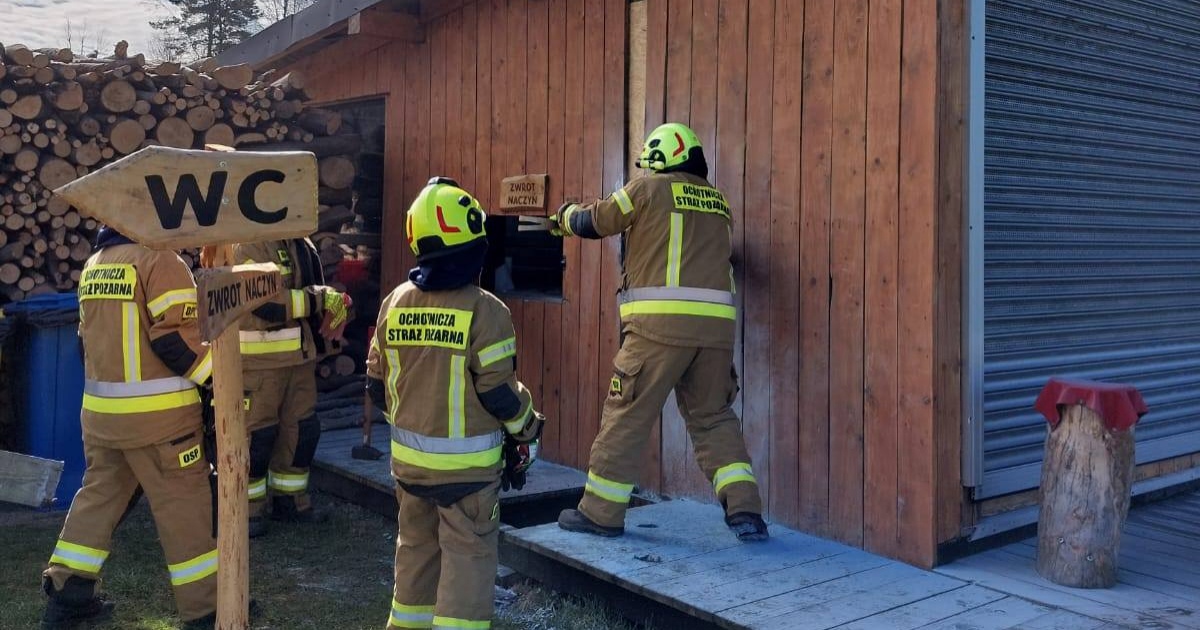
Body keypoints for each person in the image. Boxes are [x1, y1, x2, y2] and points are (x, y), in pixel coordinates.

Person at [553, 122, 768, 542]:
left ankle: (600, 512)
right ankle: (746, 512)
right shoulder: (719, 203)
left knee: (627, 414)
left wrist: (563, 217)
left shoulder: (647, 190)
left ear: (662, 157)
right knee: (714, 418)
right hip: (716, 335)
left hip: (658, 329)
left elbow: (595, 221)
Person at [367, 177, 544, 630]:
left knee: (415, 556)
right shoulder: (487, 311)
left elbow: (375, 385)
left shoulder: (395, 302)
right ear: (473, 247)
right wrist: (529, 429)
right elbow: (499, 393)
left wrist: (413, 425)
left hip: (409, 471)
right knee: (468, 563)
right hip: (468, 480)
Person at [41, 226, 217, 629]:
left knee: (99, 498)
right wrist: (220, 381)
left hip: (103, 417)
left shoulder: (94, 265)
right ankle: (207, 611)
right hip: (161, 421)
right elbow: (174, 342)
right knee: (184, 507)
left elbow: (85, 342)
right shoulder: (161, 261)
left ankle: (68, 598)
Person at [232, 238, 349, 536]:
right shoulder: (249, 244)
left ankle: (291, 503)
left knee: (301, 432)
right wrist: (321, 297)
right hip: (260, 365)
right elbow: (266, 303)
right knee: (256, 438)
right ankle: (247, 512)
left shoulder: (299, 242)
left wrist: (336, 302)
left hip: (299, 359)